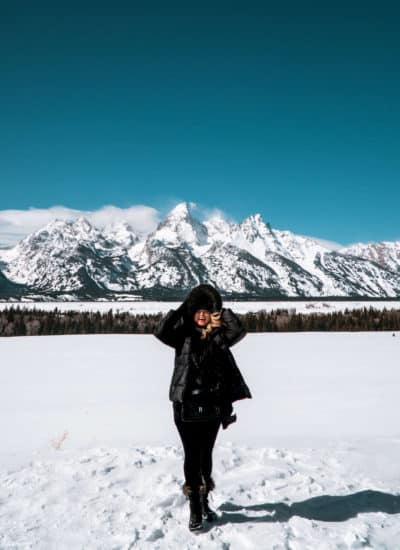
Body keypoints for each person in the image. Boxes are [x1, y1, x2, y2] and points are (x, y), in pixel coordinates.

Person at [154, 284, 252, 532]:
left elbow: (239, 330)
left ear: (212, 314)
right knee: (191, 454)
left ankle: (205, 501)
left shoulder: (219, 337)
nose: (201, 314)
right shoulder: (182, 335)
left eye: (206, 310)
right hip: (185, 406)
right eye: (197, 310)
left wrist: (219, 306)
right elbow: (161, 331)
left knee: (205, 455)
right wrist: (184, 307)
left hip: (212, 408)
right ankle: (195, 506)